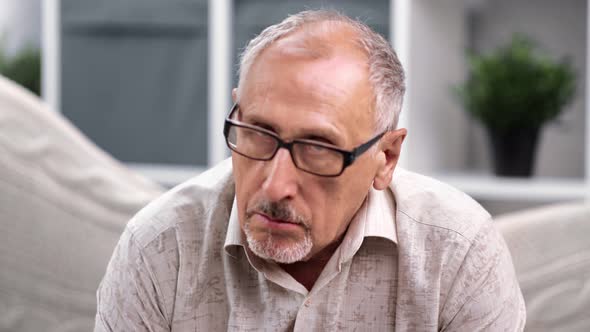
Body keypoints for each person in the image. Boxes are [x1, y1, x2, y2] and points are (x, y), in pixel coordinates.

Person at [95, 9, 526, 331]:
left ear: (386, 158)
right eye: (259, 133)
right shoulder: (158, 248)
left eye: (318, 148)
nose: (276, 184)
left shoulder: (459, 256)